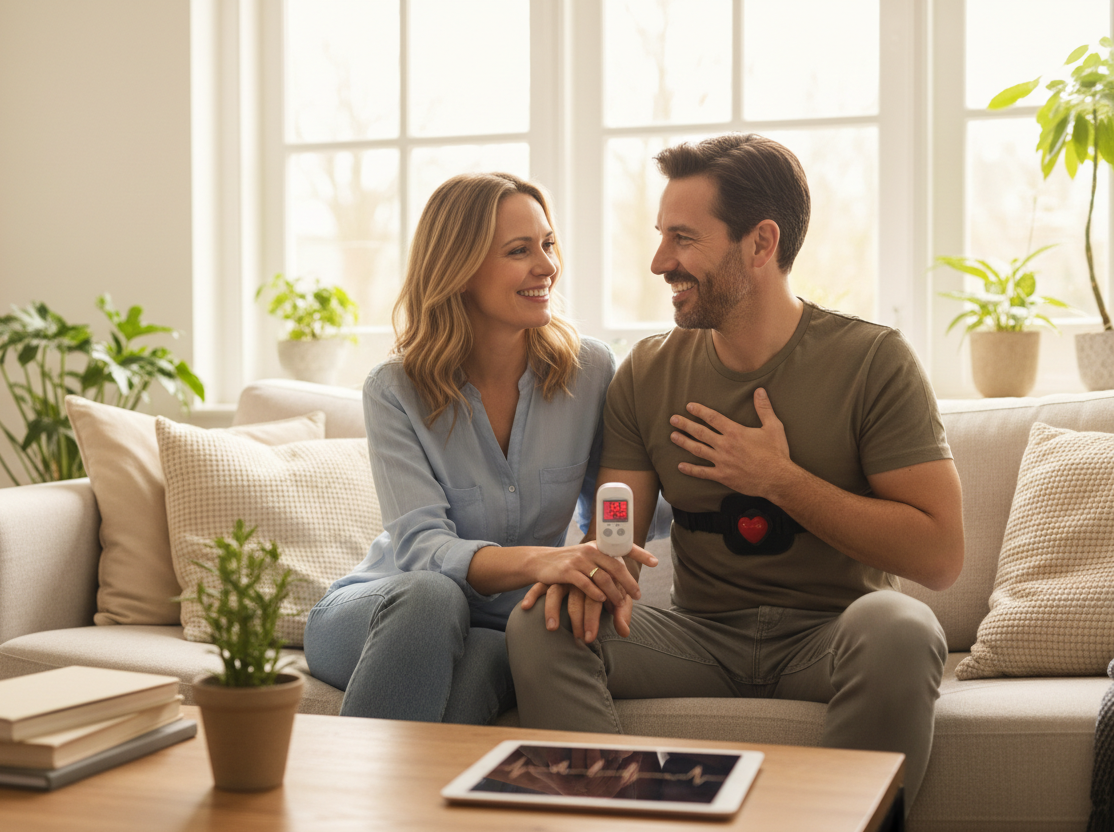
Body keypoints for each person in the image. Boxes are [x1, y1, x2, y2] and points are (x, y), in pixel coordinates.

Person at [505, 134, 964, 810]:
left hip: (832, 634)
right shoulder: (648, 371)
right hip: (698, 635)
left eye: (683, 239)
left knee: (904, 626)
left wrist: (780, 479)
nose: (661, 261)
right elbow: (618, 540)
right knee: (540, 621)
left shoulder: (873, 361)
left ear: (761, 243)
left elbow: (941, 556)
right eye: (662, 236)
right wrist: (595, 569)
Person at [303, 172, 658, 725]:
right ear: (459, 269)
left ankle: (413, 809)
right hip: (385, 607)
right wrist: (548, 560)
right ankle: (357, 804)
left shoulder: (589, 371)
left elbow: (621, 504)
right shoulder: (394, 388)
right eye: (519, 251)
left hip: (499, 626)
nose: (546, 266)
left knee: (501, 651)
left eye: (547, 244)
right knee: (433, 598)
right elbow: (423, 551)